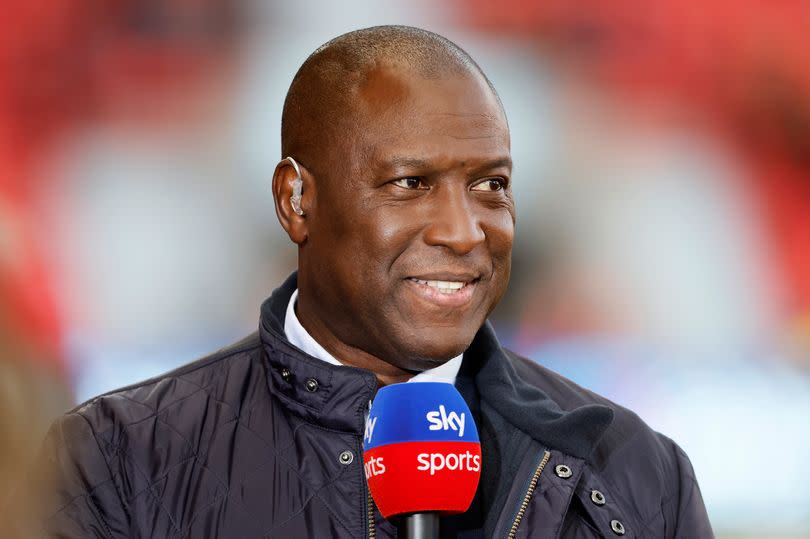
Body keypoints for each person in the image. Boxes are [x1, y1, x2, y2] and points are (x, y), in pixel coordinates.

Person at [38, 26, 713, 538]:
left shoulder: (636, 469)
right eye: (410, 184)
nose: (463, 230)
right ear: (297, 201)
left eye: (490, 185)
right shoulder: (115, 458)